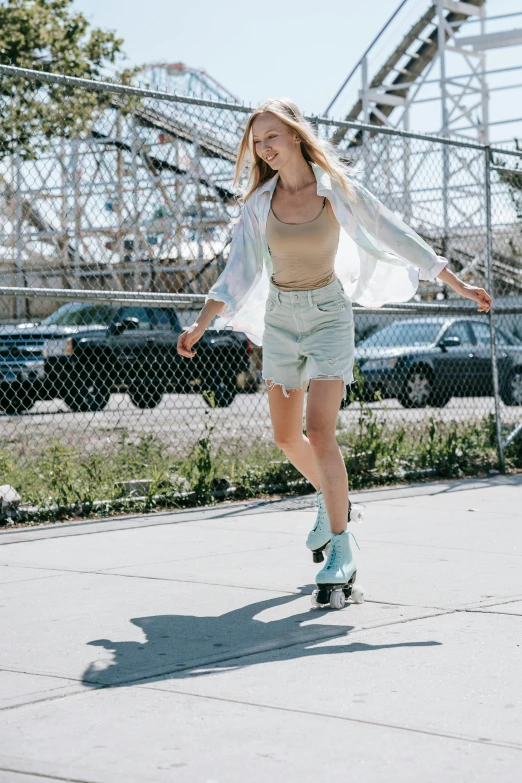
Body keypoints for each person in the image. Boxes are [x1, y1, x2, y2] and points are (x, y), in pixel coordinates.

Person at [177, 98, 492, 609]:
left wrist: (452, 280)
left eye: (272, 137)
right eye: (257, 142)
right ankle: (334, 499)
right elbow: (238, 270)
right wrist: (201, 323)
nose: (264, 148)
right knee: (285, 435)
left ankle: (342, 546)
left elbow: (393, 231)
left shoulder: (335, 191)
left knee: (320, 430)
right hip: (281, 320)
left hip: (328, 316)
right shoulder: (259, 204)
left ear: (297, 135)